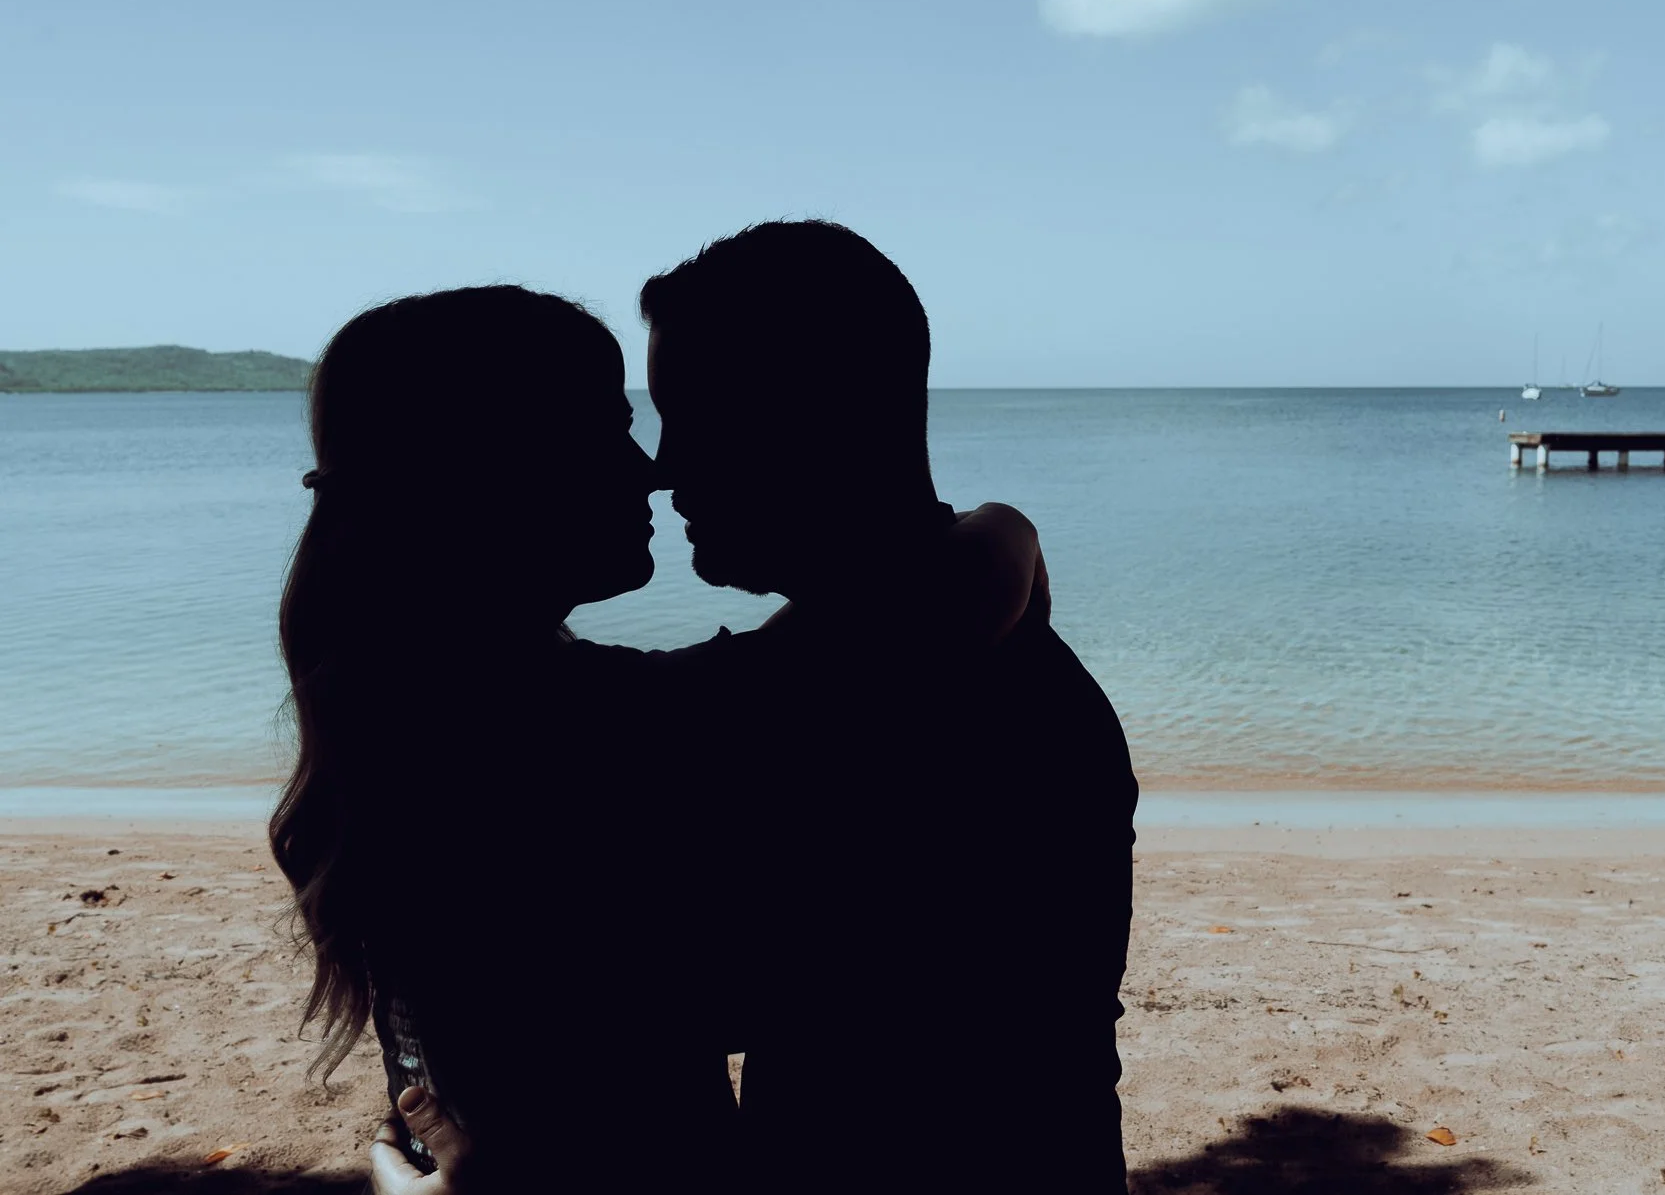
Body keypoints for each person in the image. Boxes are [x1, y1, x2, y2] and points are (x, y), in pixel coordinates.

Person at [273, 285, 1045, 1194]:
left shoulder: (400, 704)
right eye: (610, 430)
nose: (650, 469)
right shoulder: (575, 725)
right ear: (495, 473)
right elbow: (947, 595)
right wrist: (1008, 521)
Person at [640, 220, 1137, 1194]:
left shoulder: (855, 700)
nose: (662, 466)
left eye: (690, 416)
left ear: (813, 420)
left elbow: (700, 992)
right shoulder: (972, 648)